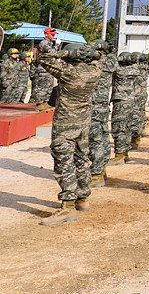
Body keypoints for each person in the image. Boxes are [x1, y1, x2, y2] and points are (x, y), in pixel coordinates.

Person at [38, 43, 103, 225]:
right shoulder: (94, 70)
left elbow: (43, 58)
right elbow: (100, 57)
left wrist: (64, 52)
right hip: (83, 124)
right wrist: (90, 53)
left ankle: (67, 207)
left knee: (64, 163)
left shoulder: (68, 72)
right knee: (81, 159)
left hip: (65, 125)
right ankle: (83, 198)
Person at [88, 40, 117, 187]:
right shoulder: (108, 65)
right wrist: (109, 50)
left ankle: (97, 173)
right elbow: (113, 58)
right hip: (103, 105)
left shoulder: (92, 65)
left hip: (92, 106)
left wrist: (93, 48)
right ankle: (102, 167)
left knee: (95, 140)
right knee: (103, 137)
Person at [107, 52, 139, 167]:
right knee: (126, 128)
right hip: (130, 102)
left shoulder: (120, 71)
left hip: (121, 102)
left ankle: (119, 156)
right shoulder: (134, 71)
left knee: (118, 129)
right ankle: (125, 153)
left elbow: (110, 65)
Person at [32, 27, 60, 110]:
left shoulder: (49, 43)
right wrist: (57, 45)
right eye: (52, 34)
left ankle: (45, 103)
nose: (53, 36)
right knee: (43, 87)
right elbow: (53, 53)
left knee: (49, 86)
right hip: (43, 68)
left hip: (48, 67)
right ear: (46, 34)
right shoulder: (44, 43)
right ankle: (40, 103)